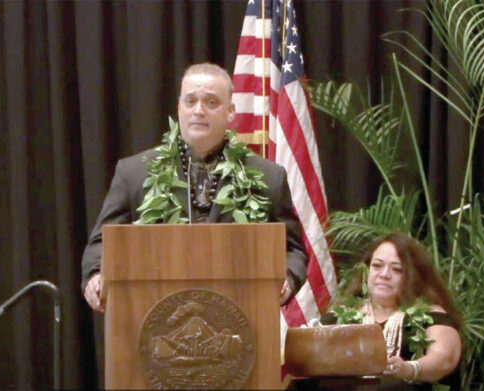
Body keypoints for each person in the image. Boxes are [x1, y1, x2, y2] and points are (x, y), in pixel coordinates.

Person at [81, 62, 308, 312]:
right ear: (179, 107)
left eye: (211, 103)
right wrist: (94, 277)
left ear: (230, 112)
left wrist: (286, 279)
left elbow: (293, 249)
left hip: (241, 320)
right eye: (190, 101)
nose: (198, 111)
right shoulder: (134, 173)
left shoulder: (268, 177)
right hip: (155, 318)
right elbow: (101, 242)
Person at [291, 232, 462, 390]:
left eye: (396, 269)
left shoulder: (433, 315)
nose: (384, 274)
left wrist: (409, 369)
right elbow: (305, 356)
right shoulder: (341, 315)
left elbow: (444, 358)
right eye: (377, 266)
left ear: (414, 276)